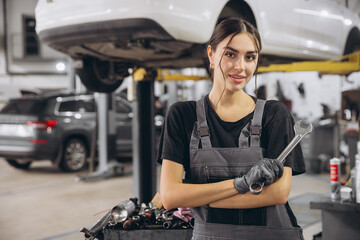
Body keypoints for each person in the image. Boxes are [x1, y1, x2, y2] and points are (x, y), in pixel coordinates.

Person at [157, 18, 306, 240]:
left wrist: (196, 196)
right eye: (230, 54)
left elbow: (278, 194)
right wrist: (242, 184)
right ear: (211, 54)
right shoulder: (182, 116)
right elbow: (170, 196)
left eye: (250, 57)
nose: (240, 67)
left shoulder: (274, 115)